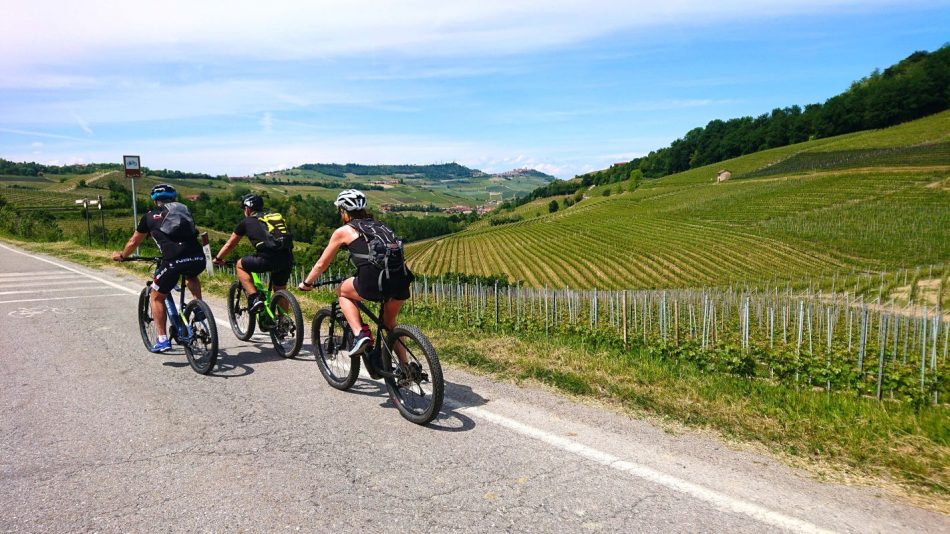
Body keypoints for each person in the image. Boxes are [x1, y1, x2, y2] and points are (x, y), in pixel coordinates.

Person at [297, 189, 414, 360]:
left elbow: (322, 263)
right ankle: (406, 367)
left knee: (342, 291)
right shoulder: (381, 226)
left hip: (374, 282)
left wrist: (307, 283)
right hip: (401, 280)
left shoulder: (344, 231)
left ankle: (360, 334)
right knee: (390, 325)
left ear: (344, 211)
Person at [112, 183, 205, 353]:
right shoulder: (184, 211)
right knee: (191, 275)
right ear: (174, 198)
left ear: (155, 201)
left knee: (156, 297)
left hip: (173, 261)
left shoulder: (149, 216)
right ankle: (199, 305)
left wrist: (122, 256)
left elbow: (134, 242)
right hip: (199, 258)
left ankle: (162, 340)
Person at [212, 194, 294, 313]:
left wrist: (218, 258)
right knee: (280, 289)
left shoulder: (246, 222)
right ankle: (284, 322)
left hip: (266, 259)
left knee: (240, 264)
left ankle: (255, 297)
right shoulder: (272, 218)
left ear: (247, 209)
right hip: (286, 257)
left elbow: (230, 244)